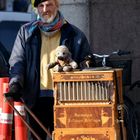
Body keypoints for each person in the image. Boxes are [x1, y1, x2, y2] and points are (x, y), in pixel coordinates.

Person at [5, 0, 92, 139]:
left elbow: (85, 63)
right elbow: (18, 61)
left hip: (65, 99)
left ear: (57, 6)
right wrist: (15, 84)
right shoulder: (26, 32)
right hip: (35, 99)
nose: (45, 9)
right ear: (36, 9)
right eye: (41, 5)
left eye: (49, 4)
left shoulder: (74, 34)